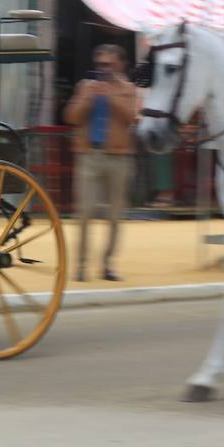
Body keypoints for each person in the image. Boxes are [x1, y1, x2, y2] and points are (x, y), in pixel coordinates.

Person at [63, 44, 137, 282]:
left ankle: (107, 265)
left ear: (121, 65)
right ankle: (82, 267)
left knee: (115, 215)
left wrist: (110, 96)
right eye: (100, 65)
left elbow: (131, 117)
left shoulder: (129, 90)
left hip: (119, 157)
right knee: (84, 213)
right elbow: (71, 117)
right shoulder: (86, 87)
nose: (104, 69)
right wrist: (88, 99)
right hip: (89, 155)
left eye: (109, 64)